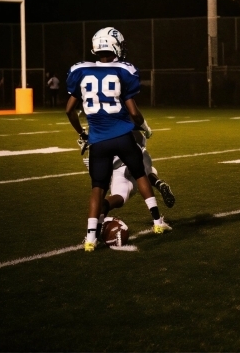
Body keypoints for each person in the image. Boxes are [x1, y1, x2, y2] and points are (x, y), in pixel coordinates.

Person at [66, 26, 171, 251]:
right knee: (141, 174)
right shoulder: (123, 70)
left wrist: (82, 133)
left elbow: (69, 110)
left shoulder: (81, 70)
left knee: (97, 188)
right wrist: (144, 127)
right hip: (122, 136)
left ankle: (90, 239)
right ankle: (157, 222)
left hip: (98, 140)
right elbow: (133, 112)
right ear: (114, 46)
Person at [92, 130, 176, 223]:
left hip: (118, 170)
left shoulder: (104, 133)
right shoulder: (131, 134)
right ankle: (158, 185)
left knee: (118, 197)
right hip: (135, 167)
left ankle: (97, 225)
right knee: (148, 170)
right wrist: (146, 129)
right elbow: (144, 156)